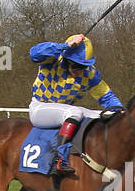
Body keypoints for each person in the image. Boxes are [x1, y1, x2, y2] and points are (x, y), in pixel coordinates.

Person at [28, 34, 124, 178]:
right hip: (39, 108)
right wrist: (64, 46)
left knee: (100, 116)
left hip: (63, 112)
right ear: (66, 59)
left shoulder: (89, 74)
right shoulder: (52, 60)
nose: (79, 70)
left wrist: (120, 110)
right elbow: (34, 53)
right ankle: (59, 160)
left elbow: (106, 96)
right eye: (76, 65)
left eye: (83, 66)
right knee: (74, 112)